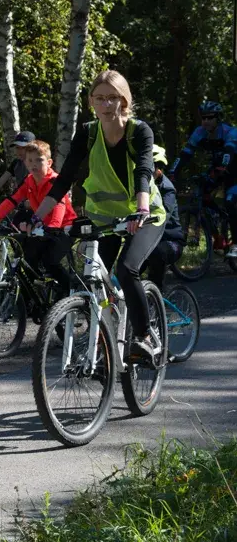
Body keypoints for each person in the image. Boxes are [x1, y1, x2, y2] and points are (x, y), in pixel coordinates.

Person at [33, 69, 166, 363]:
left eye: (113, 98)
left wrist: (141, 209)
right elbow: (65, 178)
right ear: (91, 101)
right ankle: (105, 342)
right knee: (94, 279)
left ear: (124, 101)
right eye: (99, 99)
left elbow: (144, 170)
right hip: (104, 219)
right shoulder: (88, 132)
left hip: (144, 216)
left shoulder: (139, 131)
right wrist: (36, 217)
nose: (106, 105)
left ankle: (143, 336)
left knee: (127, 270)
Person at [0, 139, 76, 297]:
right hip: (43, 229)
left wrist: (52, 226)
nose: (34, 164)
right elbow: (10, 201)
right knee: (28, 258)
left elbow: (59, 205)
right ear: (25, 163)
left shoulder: (55, 181)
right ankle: (35, 300)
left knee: (49, 261)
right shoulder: (29, 181)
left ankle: (70, 294)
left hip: (64, 229)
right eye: (30, 160)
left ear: (49, 162)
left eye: (39, 160)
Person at [169, 100, 237, 259]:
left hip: (234, 168)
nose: (206, 121)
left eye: (210, 118)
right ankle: (218, 237)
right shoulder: (199, 132)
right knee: (202, 194)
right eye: (203, 118)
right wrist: (172, 172)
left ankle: (235, 244)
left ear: (218, 118)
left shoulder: (230, 132)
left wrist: (222, 167)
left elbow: (229, 153)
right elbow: (185, 155)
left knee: (230, 200)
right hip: (218, 167)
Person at [141, 145, 184, 291]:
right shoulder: (141, 185)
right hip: (148, 240)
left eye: (151, 168)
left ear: (159, 169)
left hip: (171, 241)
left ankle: (156, 293)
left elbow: (162, 216)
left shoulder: (167, 189)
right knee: (127, 268)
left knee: (156, 253)